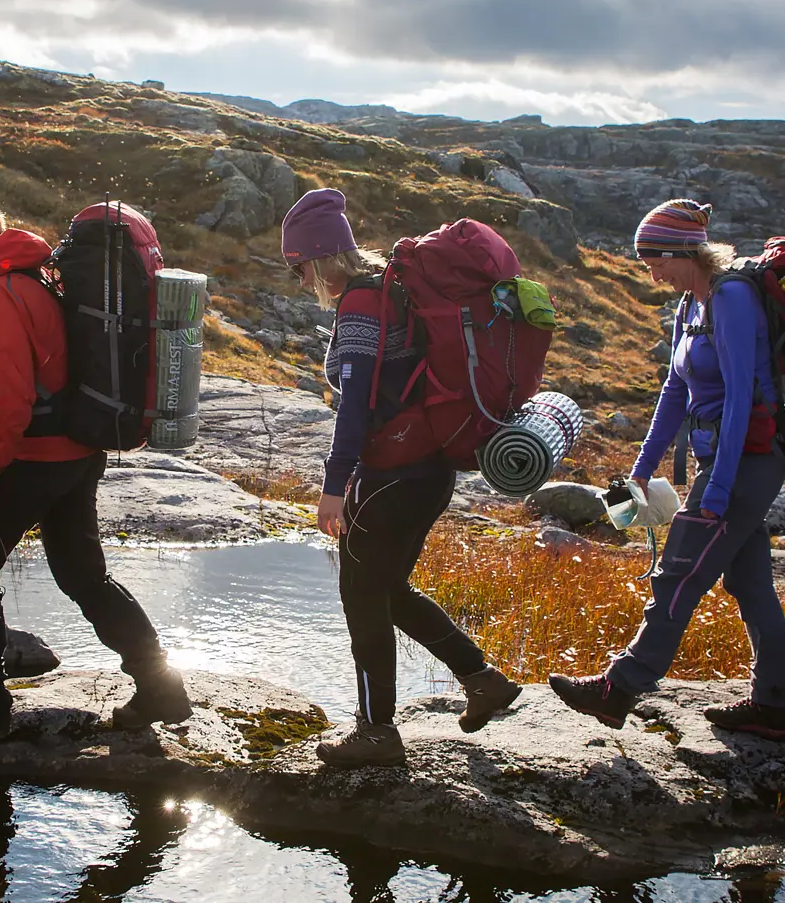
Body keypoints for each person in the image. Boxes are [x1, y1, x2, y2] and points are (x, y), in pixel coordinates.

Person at [0, 195, 191, 738]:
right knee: (84, 577)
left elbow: (13, 405)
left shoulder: (4, 292)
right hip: (79, 455)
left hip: (32, 461)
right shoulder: (48, 275)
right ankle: (162, 689)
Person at [281, 189, 521, 767]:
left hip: (390, 475)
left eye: (299, 268)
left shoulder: (362, 304)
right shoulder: (396, 285)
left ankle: (375, 733)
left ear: (318, 258)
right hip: (431, 468)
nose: (301, 279)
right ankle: (483, 679)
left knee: (361, 600)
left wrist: (334, 486)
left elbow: (357, 406)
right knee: (388, 592)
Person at [550, 199, 785, 738]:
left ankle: (620, 688)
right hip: (719, 457)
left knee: (679, 571)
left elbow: (744, 404)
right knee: (750, 585)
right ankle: (776, 703)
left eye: (656, 259)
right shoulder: (689, 305)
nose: (650, 271)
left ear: (686, 250)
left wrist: (719, 488)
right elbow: (674, 392)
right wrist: (639, 471)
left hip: (746, 458)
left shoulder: (730, 299)